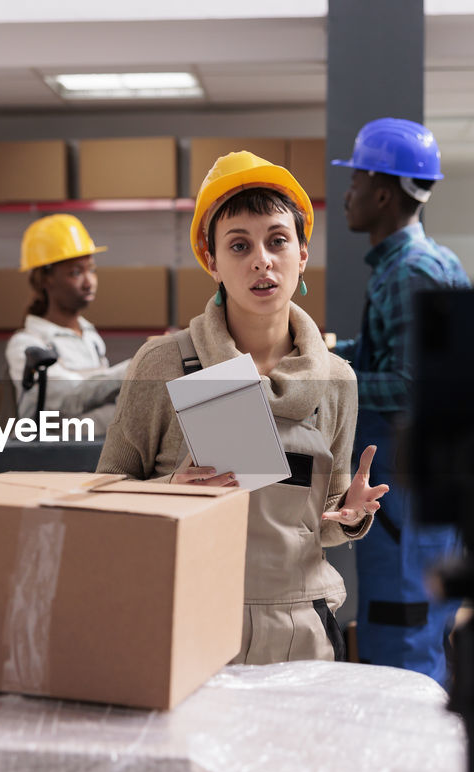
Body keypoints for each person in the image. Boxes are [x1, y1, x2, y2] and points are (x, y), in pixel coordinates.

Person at [97, 151, 388, 665]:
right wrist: (169, 489)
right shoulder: (163, 364)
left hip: (302, 628)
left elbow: (323, 522)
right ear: (212, 261)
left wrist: (351, 515)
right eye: (239, 245)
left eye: (278, 240)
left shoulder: (337, 380)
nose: (262, 260)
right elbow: (104, 495)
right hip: (190, 620)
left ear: (301, 253)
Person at [330, 117, 472, 687]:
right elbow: (388, 350)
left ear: (383, 192)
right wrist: (329, 351)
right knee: (410, 635)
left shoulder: (412, 271)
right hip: (410, 497)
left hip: (408, 505)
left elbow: (414, 384)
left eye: (356, 181)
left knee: (403, 645)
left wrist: (328, 382)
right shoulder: (407, 265)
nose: (348, 194)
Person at [5, 214, 129, 433]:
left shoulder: (90, 336)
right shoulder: (27, 345)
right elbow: (68, 400)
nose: (89, 282)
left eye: (91, 270)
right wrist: (135, 368)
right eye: (75, 273)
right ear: (46, 279)